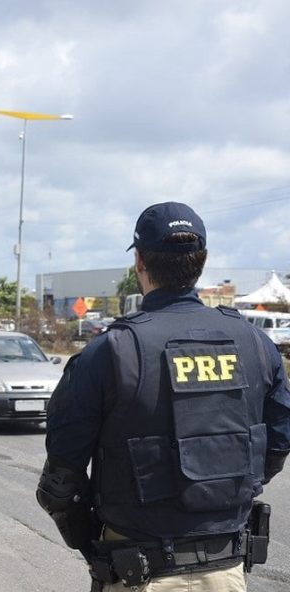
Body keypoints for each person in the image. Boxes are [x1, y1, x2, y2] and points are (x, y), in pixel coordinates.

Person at [36, 202, 290, 591]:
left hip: (137, 571)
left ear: (139, 262)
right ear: (201, 262)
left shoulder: (109, 352)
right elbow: (276, 446)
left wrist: (95, 549)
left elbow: (60, 482)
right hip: (226, 572)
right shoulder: (256, 344)